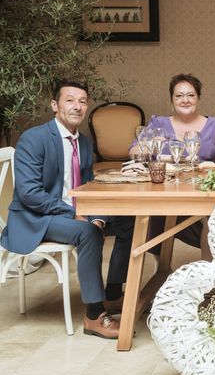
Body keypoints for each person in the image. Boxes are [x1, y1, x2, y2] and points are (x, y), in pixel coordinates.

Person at [1, 79, 134, 339]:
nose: (77, 106)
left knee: (128, 221)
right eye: (70, 100)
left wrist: (97, 216)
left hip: (74, 214)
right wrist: (73, 214)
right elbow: (29, 194)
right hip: (36, 218)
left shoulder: (83, 143)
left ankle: (113, 294)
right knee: (87, 233)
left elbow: (88, 187)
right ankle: (94, 316)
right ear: (55, 105)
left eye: (82, 101)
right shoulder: (34, 138)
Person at [129, 73, 215, 259]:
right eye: (179, 96)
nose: (185, 100)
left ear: (198, 99)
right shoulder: (158, 123)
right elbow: (133, 150)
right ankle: (161, 268)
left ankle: (209, 275)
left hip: (202, 193)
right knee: (150, 214)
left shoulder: (213, 124)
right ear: (172, 100)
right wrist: (147, 146)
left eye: (190, 95)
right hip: (165, 192)